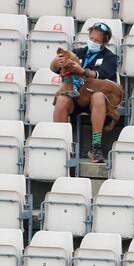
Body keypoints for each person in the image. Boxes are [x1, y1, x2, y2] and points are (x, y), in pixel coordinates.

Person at [51, 22, 118, 163]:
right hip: (75, 98)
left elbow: (102, 74)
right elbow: (56, 69)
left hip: (94, 99)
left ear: (104, 42)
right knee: (62, 100)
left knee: (99, 97)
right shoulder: (78, 52)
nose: (92, 42)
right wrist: (56, 63)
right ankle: (61, 146)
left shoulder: (110, 58)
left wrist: (83, 72)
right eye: (91, 39)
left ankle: (96, 147)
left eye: (96, 41)